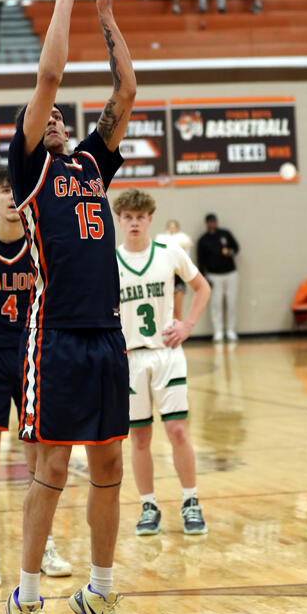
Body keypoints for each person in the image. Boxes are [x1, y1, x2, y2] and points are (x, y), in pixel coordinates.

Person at [5, 0, 136, 614]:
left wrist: (105, 15)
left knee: (110, 460)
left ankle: (100, 592)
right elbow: (49, 75)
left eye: (60, 116)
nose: (54, 116)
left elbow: (126, 91)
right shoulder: (29, 172)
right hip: (53, 334)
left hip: (106, 334)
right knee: (52, 466)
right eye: (44, 116)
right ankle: (26, 597)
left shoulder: (89, 163)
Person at [0, 167, 72, 588]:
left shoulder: (43, 245)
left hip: (33, 357)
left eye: (16, 191)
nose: (11, 198)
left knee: (39, 461)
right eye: (4, 191)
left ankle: (45, 546)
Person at [114, 189, 210, 537]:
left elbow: (202, 288)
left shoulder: (169, 252)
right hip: (130, 358)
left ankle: (190, 501)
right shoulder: (110, 261)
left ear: (150, 219)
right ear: (119, 220)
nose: (134, 223)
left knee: (178, 430)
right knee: (140, 437)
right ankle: (148, 505)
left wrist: (188, 325)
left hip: (166, 353)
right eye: (128, 217)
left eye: (140, 217)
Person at [197, 213, 240, 342]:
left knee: (231, 302)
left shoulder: (225, 234)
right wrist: (204, 279)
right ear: (206, 223)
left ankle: (230, 330)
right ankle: (218, 331)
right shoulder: (203, 240)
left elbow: (236, 248)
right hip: (214, 276)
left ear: (216, 222)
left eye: (213, 221)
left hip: (230, 273)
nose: (212, 224)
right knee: (216, 304)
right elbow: (200, 261)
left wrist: (230, 252)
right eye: (209, 222)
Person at [155, 219, 193, 320]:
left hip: (178, 276)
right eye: (170, 227)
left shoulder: (183, 241)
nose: (172, 229)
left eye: (174, 227)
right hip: (166, 276)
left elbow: (185, 259)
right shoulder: (161, 240)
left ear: (177, 228)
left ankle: (179, 329)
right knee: (166, 311)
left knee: (177, 311)